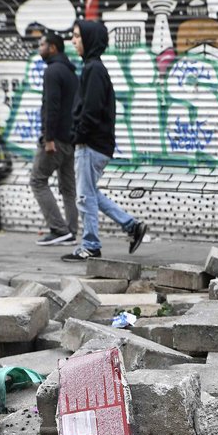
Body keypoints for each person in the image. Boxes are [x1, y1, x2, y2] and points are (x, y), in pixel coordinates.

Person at [62, 20, 147, 262]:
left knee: (84, 196)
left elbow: (91, 110)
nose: (73, 41)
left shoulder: (94, 69)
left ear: (89, 39)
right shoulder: (92, 67)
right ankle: (131, 226)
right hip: (93, 144)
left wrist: (78, 136)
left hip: (91, 145)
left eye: (77, 36)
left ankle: (90, 245)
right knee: (89, 194)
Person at [31, 32, 78, 246]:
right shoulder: (71, 72)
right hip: (69, 140)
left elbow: (51, 107)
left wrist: (48, 138)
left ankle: (59, 230)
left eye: (42, 44)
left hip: (55, 140)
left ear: (53, 48)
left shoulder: (52, 71)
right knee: (68, 187)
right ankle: (71, 231)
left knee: (38, 180)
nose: (39, 48)